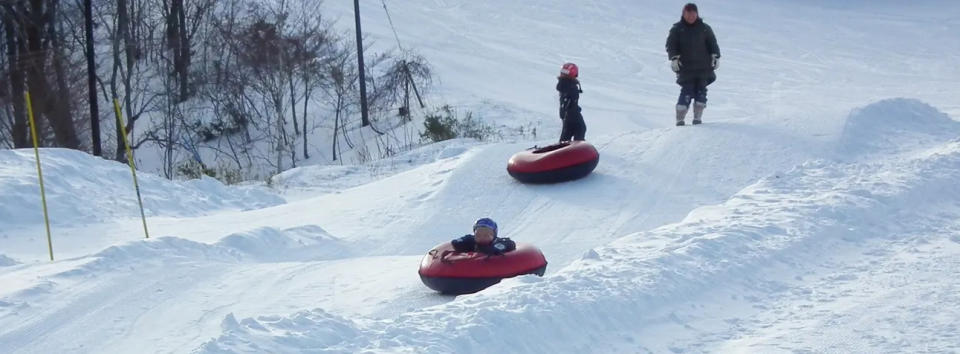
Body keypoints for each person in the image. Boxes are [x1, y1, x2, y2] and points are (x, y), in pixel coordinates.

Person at [665, 3, 721, 126]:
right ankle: (680, 119)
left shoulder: (705, 28)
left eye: (693, 14)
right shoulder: (677, 29)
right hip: (686, 68)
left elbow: (713, 43)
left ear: (697, 14)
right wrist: (674, 58)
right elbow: (671, 45)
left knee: (701, 91)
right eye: (688, 14)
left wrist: (715, 56)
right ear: (684, 14)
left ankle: (697, 118)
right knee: (687, 91)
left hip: (704, 67)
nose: (691, 17)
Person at [446, 218, 516, 256]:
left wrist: (490, 250)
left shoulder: (500, 243)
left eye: (486, 235)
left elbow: (510, 244)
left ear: (494, 235)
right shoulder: (470, 240)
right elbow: (455, 243)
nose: (482, 237)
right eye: (478, 235)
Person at [557, 63, 586, 141]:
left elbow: (568, 100)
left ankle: (564, 148)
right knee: (581, 129)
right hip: (572, 115)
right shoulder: (569, 85)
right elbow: (569, 101)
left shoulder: (564, 83)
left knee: (567, 134)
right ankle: (578, 150)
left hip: (567, 114)